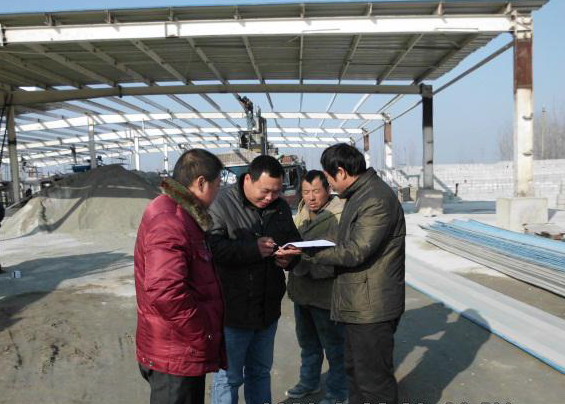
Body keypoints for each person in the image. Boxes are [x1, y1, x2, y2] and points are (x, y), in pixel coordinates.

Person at [278, 143, 406, 404]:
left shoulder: (375, 199)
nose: (329, 185)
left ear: (341, 172)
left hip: (371, 307)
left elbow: (356, 251)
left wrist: (308, 252)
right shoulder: (360, 195)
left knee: (373, 381)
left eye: (328, 179)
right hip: (357, 302)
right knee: (356, 373)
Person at [134, 149, 226, 404]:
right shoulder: (170, 220)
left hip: (179, 350)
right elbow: (166, 292)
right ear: (201, 182)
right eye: (217, 185)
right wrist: (200, 335)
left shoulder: (180, 215)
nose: (218, 192)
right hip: (176, 353)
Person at [208, 155, 301, 404]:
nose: (270, 197)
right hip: (233, 310)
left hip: (267, 309)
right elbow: (212, 249)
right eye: (265, 191)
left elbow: (293, 240)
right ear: (248, 179)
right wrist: (252, 249)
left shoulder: (280, 207)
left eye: (276, 191)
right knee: (229, 378)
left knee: (260, 372)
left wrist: (290, 259)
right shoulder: (220, 203)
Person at [285, 170, 347, 404]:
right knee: (308, 344)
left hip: (326, 295)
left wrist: (306, 261)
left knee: (335, 347)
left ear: (328, 190)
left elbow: (342, 256)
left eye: (316, 191)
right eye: (306, 192)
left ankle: (338, 392)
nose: (311, 197)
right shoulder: (300, 213)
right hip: (301, 292)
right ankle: (309, 382)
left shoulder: (340, 215)